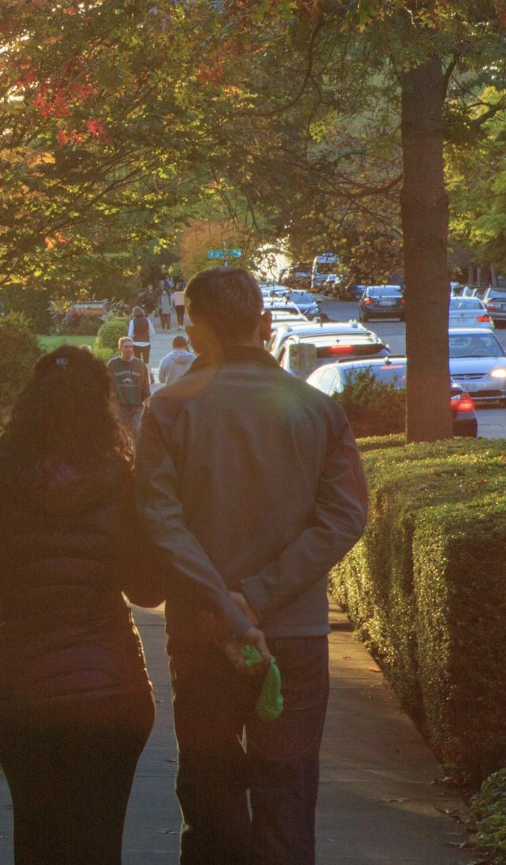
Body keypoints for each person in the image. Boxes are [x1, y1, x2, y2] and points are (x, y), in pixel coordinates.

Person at [136, 267, 368, 865]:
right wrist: (257, 598)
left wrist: (224, 605)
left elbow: (162, 521)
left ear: (193, 328)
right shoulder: (316, 409)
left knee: (210, 801)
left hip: (201, 636)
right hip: (292, 637)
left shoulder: (167, 410)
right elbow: (343, 518)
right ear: (264, 324)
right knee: (287, 802)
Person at [0, 346, 165, 865]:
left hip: (23, 693)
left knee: (37, 836)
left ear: (30, 402)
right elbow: (148, 592)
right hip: (112, 691)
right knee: (98, 843)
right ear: (100, 406)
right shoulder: (120, 477)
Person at [108, 337, 151, 431]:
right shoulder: (113, 364)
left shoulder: (140, 364)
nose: (129, 349)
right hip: (120, 406)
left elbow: (146, 387)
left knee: (137, 430)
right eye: (126, 347)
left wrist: (148, 406)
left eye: (131, 347)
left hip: (137, 406)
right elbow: (106, 384)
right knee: (122, 433)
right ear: (120, 348)